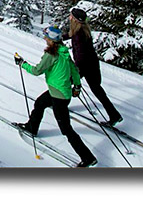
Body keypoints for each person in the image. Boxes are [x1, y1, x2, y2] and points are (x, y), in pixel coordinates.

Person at [14, 25, 98, 168]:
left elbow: (36, 71)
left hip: (58, 96)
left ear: (51, 39)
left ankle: (88, 158)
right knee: (40, 103)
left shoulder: (51, 55)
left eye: (46, 36)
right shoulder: (64, 52)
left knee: (66, 129)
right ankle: (31, 128)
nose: (45, 38)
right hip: (61, 92)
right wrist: (77, 86)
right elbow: (75, 71)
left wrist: (22, 64)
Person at [64, 8, 123, 127]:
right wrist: (57, 37)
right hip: (93, 64)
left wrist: (76, 69)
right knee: (98, 91)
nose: (69, 17)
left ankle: (55, 103)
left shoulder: (78, 34)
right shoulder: (82, 29)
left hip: (84, 65)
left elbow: (80, 54)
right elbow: (70, 35)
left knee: (64, 81)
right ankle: (114, 115)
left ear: (75, 19)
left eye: (71, 16)